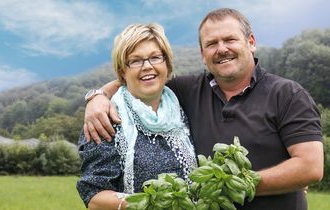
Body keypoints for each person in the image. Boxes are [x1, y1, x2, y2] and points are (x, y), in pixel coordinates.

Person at [82, 8, 324, 210]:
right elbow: (141, 81)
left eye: (229, 39)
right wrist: (98, 97)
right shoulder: (186, 91)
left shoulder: (288, 94)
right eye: (211, 43)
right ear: (202, 54)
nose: (221, 49)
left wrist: (232, 186)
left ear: (251, 43)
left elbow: (311, 168)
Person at [76, 23, 197, 210]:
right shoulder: (106, 118)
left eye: (155, 57)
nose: (147, 66)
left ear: (167, 63)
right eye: (136, 61)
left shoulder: (184, 105)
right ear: (123, 71)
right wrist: (149, 204)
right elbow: (94, 196)